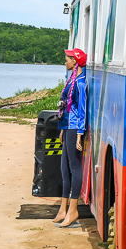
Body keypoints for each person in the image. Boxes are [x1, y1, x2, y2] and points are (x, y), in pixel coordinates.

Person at [53, 48, 88, 228]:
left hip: (75, 128)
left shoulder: (80, 83)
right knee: (64, 167)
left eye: (67, 59)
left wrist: (79, 135)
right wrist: (62, 130)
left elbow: (82, 110)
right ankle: (63, 208)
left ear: (75, 61)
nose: (65, 62)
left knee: (75, 167)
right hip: (67, 126)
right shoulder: (72, 81)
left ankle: (73, 209)